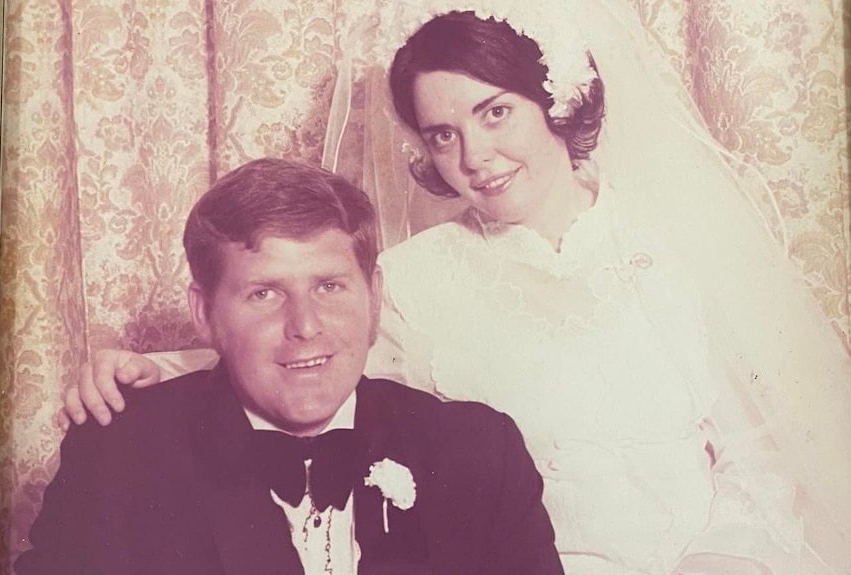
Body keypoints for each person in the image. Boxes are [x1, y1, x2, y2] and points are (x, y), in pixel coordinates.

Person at [61, 1, 851, 574]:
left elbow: (762, 463)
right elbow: (306, 368)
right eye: (443, 133)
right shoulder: (417, 277)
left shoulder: (678, 253)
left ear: (557, 102)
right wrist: (144, 371)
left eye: (495, 112)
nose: (473, 155)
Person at [17, 157, 563, 575]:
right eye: (264, 293)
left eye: (329, 286)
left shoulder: (479, 453)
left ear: (373, 297)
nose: (305, 325)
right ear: (205, 315)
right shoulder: (121, 457)